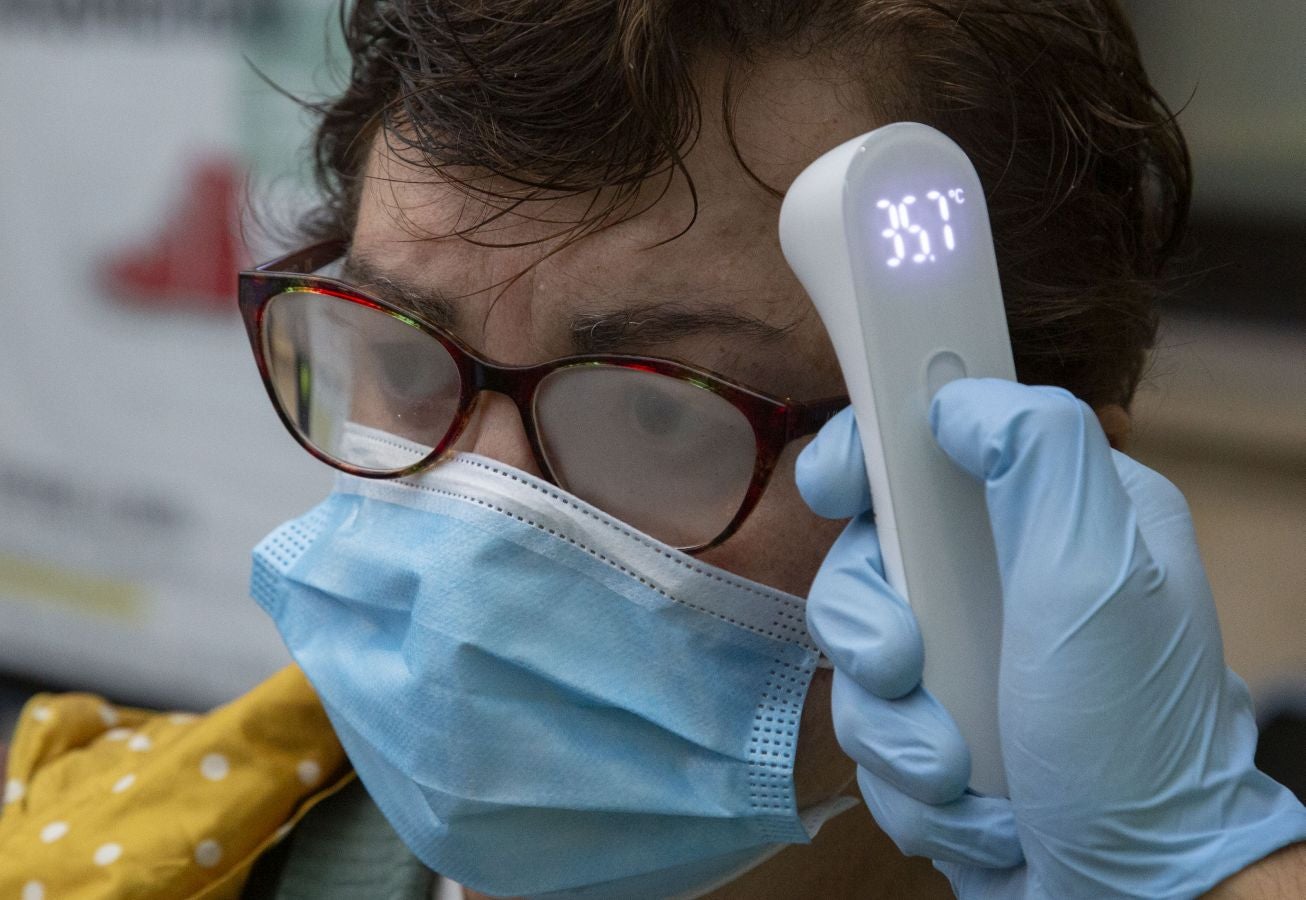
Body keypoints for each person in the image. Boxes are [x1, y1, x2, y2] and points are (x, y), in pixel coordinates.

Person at [2, 1, 1304, 897]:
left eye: (657, 410)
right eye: (403, 359)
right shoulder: (114, 856)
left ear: (1033, 498)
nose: (478, 522)